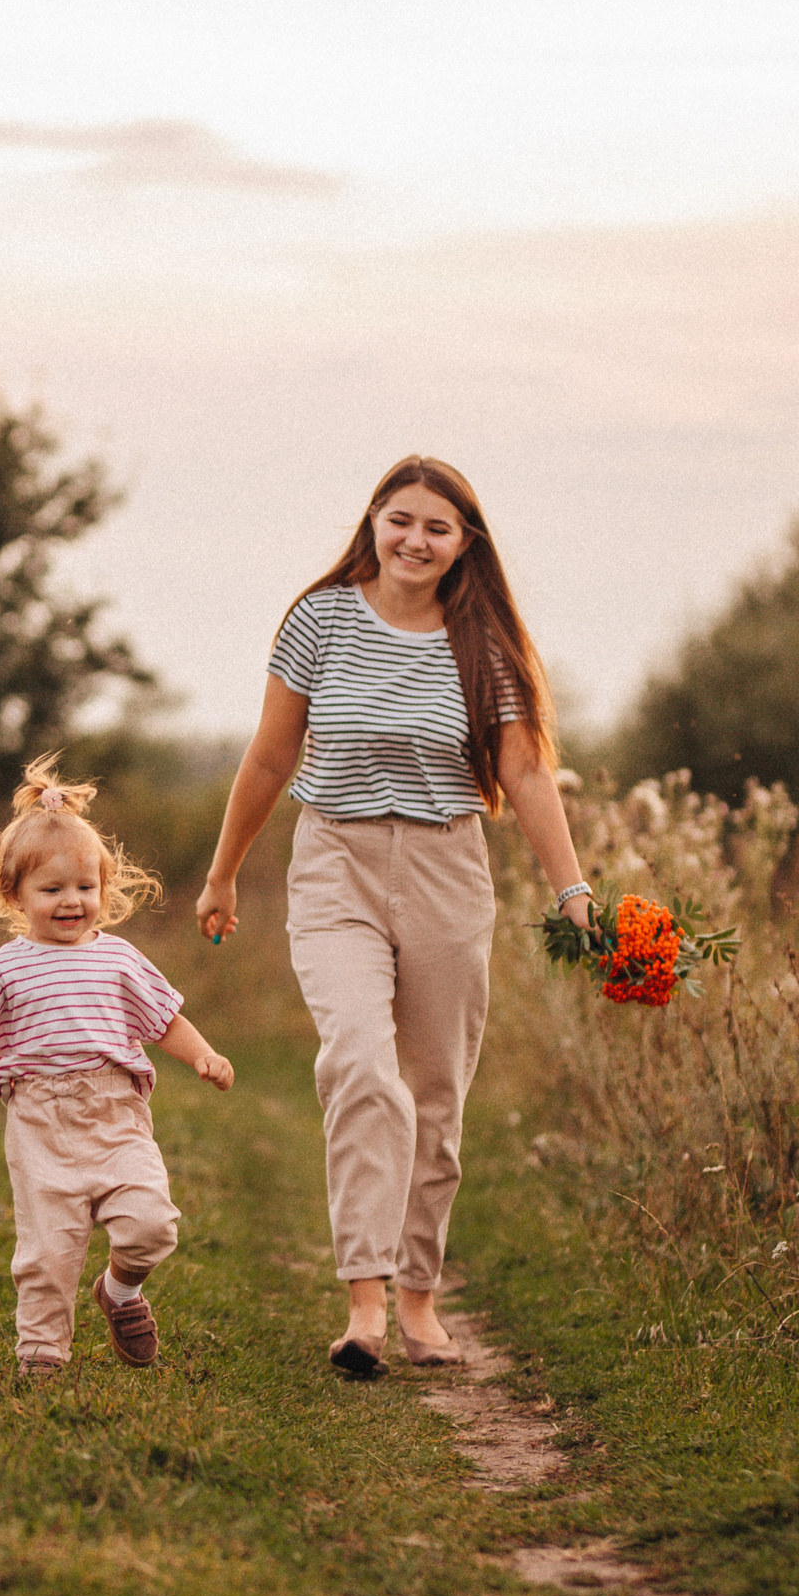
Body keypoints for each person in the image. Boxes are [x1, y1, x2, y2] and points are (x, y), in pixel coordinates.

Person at [192, 455, 591, 1380]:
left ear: (464, 545)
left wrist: (572, 888)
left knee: (436, 1085)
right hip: (334, 860)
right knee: (361, 1064)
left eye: (437, 527)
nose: (415, 539)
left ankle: (420, 1296)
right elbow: (267, 757)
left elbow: (526, 774)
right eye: (399, 519)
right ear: (373, 520)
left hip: (448, 864)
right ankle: (363, 1298)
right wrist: (223, 874)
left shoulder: (482, 642)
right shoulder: (320, 619)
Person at [0, 758, 235, 1375]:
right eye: (53, 889)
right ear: (15, 895)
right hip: (40, 1122)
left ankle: (119, 1292)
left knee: (151, 1224)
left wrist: (202, 1054)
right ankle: (41, 1356)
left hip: (116, 1110)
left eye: (86, 888)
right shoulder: (5, 968)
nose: (73, 902)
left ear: (104, 888)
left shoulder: (120, 959)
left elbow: (164, 1020)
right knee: (48, 1251)